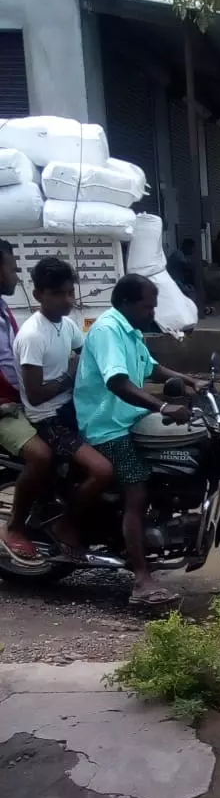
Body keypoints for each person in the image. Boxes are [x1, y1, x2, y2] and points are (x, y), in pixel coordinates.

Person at [74, 274, 197, 605]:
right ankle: (141, 581)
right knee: (137, 489)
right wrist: (163, 406)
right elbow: (118, 382)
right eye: (147, 305)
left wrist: (189, 381)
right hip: (106, 426)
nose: (152, 311)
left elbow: (152, 368)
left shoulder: (130, 331)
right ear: (127, 303)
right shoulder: (107, 331)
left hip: (129, 419)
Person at [14, 257, 113, 549]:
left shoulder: (67, 325)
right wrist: (70, 376)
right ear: (39, 295)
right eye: (58, 294)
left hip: (72, 409)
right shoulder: (33, 335)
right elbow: (35, 394)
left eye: (70, 292)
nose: (67, 300)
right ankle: (65, 521)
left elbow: (87, 356)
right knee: (102, 470)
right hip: (48, 419)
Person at [0, 240, 55, 564]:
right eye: (11, 267)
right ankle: (15, 527)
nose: (17, 275)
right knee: (40, 455)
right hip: (3, 408)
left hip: (19, 400)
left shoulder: (4, 310)